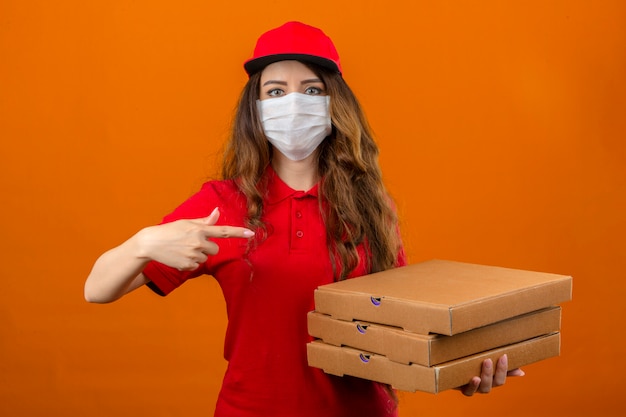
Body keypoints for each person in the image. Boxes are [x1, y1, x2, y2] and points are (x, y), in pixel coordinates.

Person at [84, 21, 522, 417]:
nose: (293, 103)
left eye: (311, 90)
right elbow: (97, 289)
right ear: (255, 108)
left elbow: (401, 330)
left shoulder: (371, 205)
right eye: (275, 91)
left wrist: (460, 367)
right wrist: (144, 243)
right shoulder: (224, 203)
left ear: (335, 104)